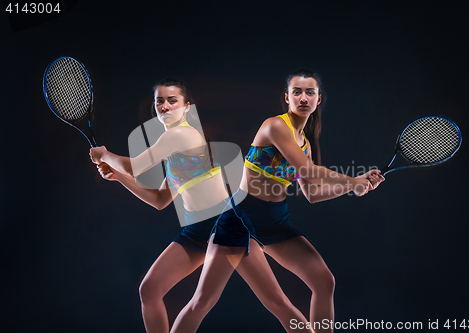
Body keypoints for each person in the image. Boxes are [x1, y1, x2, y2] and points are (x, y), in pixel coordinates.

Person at [90, 78, 312, 333]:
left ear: (186, 107)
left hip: (225, 225)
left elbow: (134, 166)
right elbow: (160, 200)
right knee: (150, 291)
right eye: (159, 101)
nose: (164, 106)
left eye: (172, 100)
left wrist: (104, 154)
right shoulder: (174, 151)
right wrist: (119, 178)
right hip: (196, 230)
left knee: (272, 301)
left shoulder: (181, 134)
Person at [236, 68, 384, 333]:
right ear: (287, 98)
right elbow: (308, 170)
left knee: (324, 281)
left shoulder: (304, 142)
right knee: (278, 302)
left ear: (318, 99)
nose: (303, 98)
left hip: (275, 222)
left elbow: (312, 193)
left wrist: (355, 186)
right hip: (243, 219)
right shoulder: (275, 126)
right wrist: (352, 182)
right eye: (297, 92)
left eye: (309, 93)